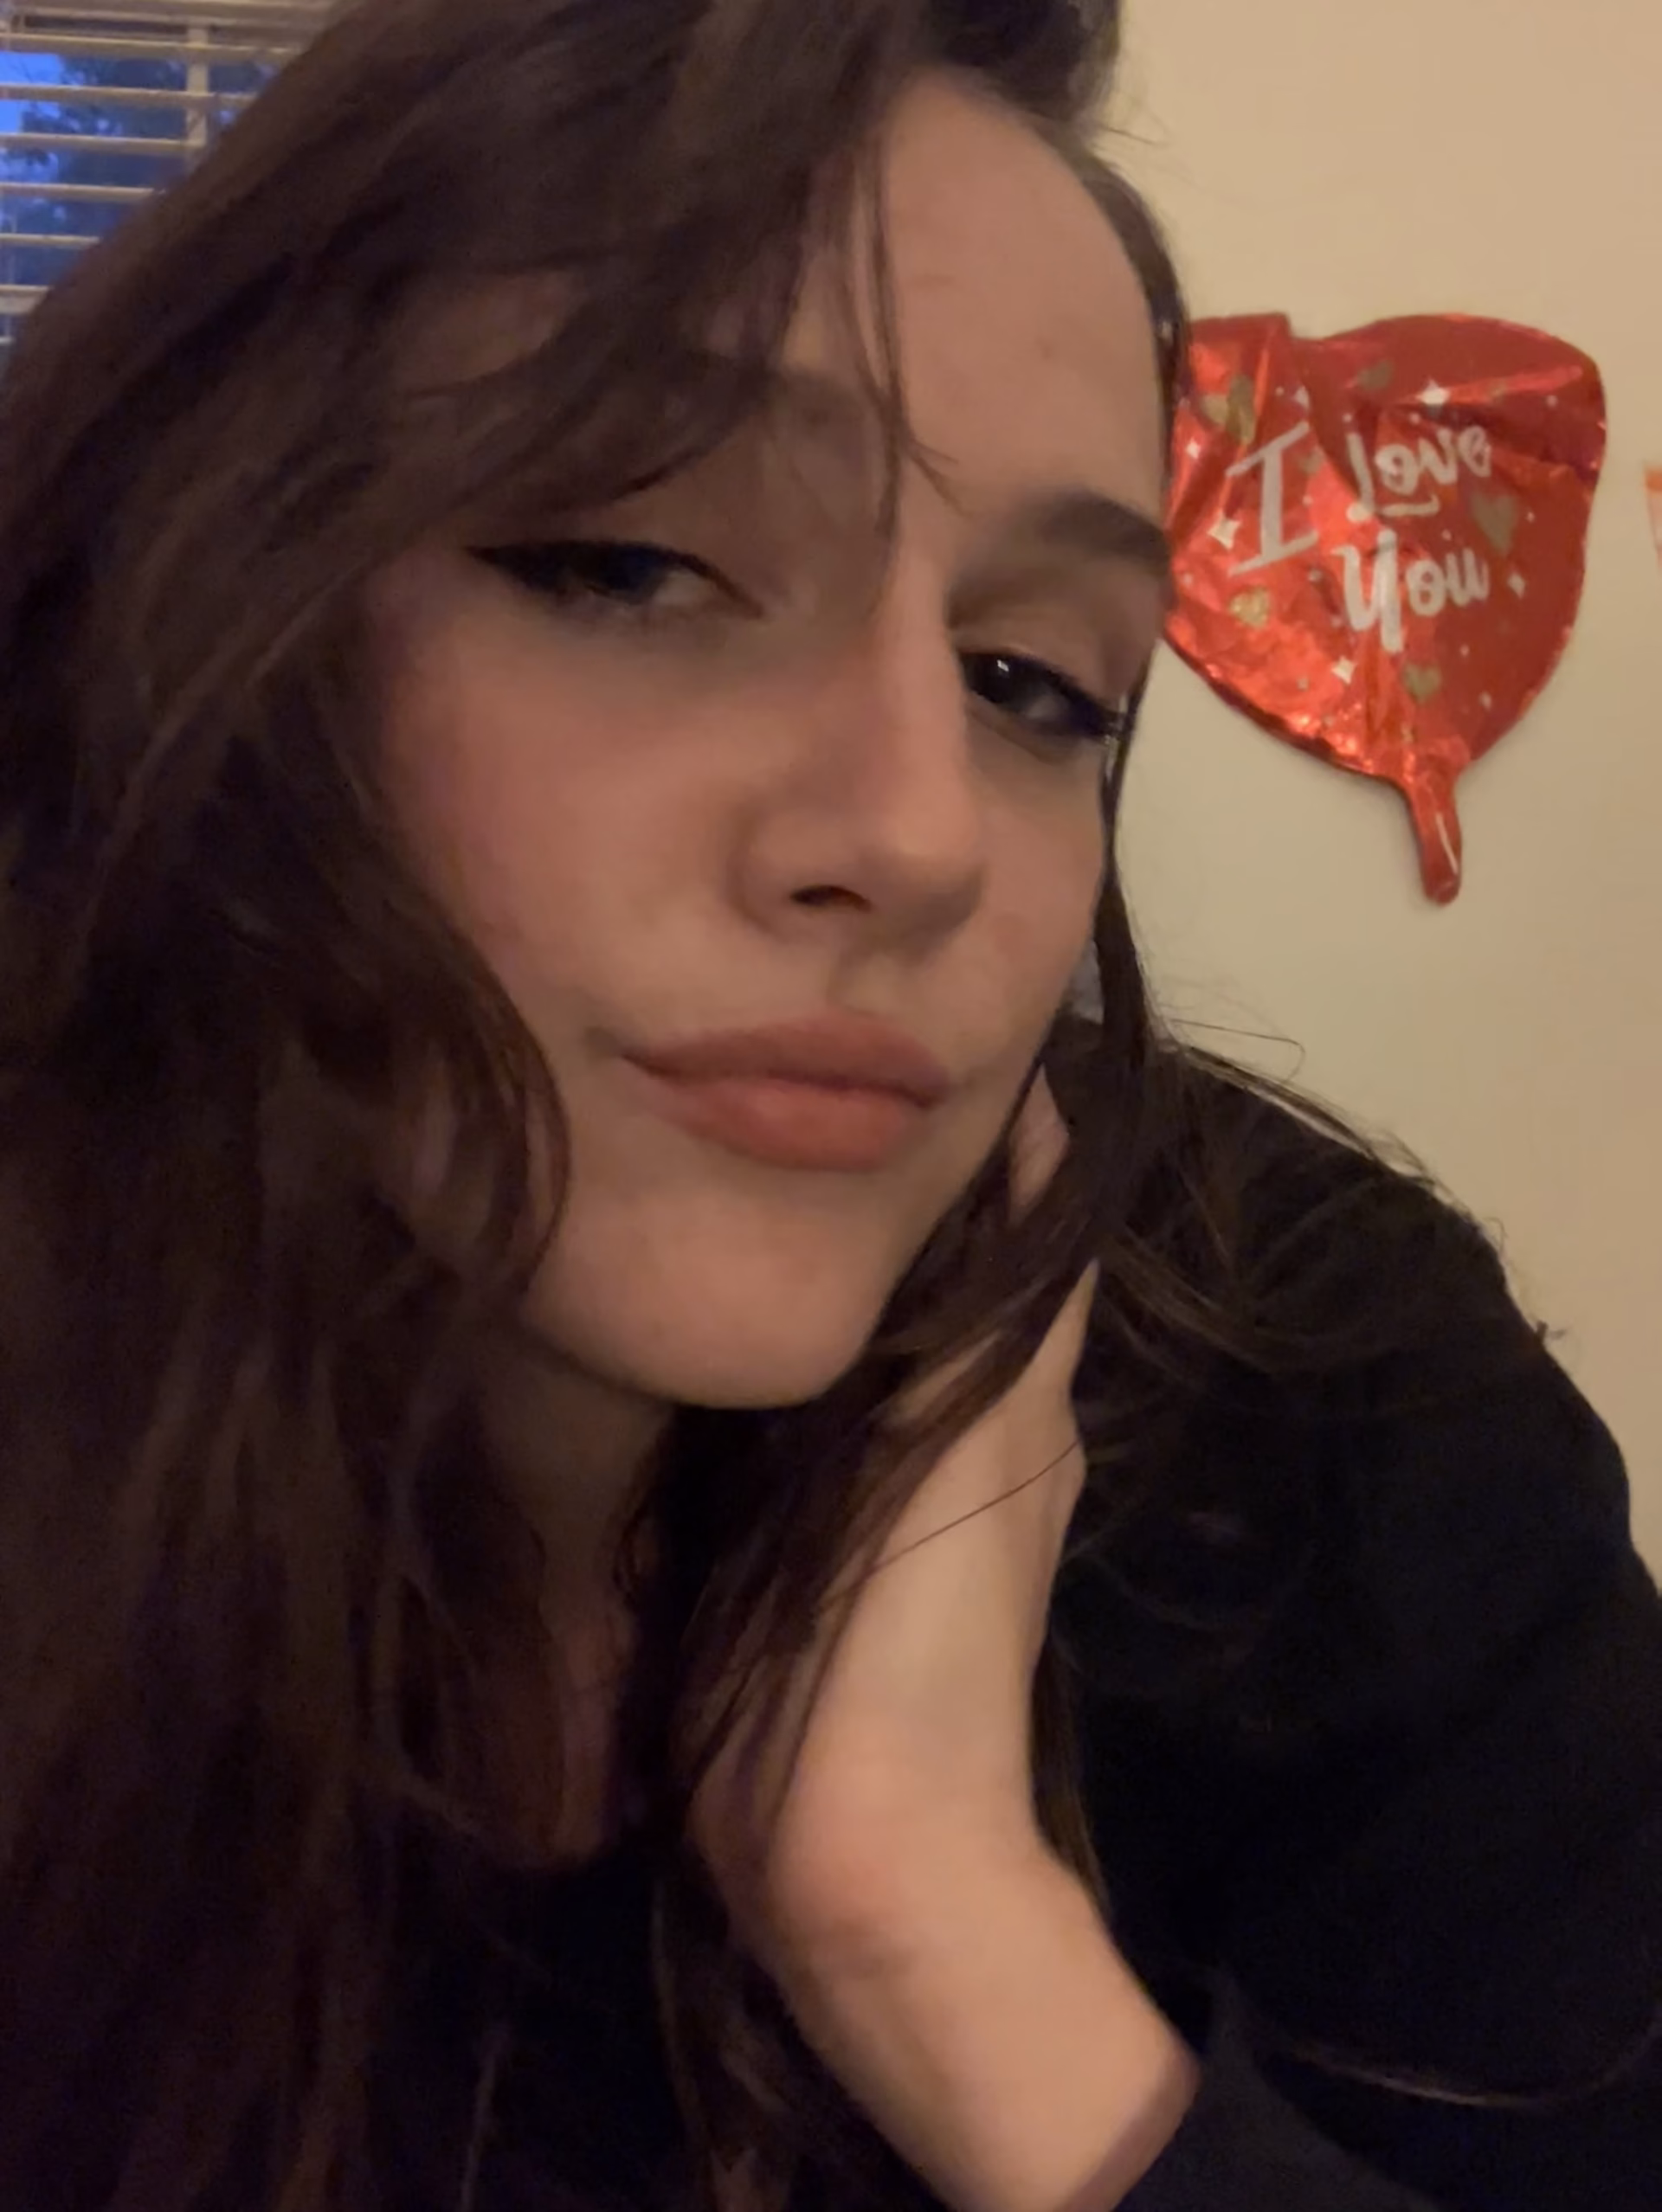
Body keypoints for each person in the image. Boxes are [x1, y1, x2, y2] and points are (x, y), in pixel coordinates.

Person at [0, 1, 1656, 2208]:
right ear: (178, 621)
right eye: (634, 568)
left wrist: (938, 1931)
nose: (922, 830)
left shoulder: (1345, 1427)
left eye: (1031, 683)